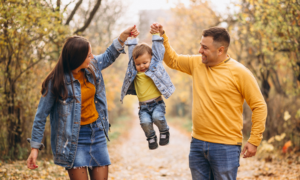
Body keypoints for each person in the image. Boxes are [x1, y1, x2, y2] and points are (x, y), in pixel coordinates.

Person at [150, 23, 267, 179]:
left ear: (220, 50)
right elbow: (173, 60)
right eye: (200, 46)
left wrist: (254, 140)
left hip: (226, 146)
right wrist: (162, 36)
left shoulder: (240, 73)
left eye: (205, 48)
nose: (200, 51)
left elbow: (259, 106)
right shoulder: (197, 63)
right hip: (197, 143)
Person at [26, 25, 139, 180]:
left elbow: (108, 56)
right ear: (76, 59)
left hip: (97, 133)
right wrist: (34, 149)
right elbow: (40, 116)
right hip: (73, 140)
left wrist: (122, 37)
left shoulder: (91, 67)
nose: (92, 57)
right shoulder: (56, 82)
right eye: (88, 55)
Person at [120, 29, 175, 150]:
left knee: (157, 117)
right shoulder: (134, 70)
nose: (142, 66)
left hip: (157, 103)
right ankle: (151, 137)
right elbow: (131, 53)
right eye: (138, 64)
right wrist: (132, 38)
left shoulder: (155, 66)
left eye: (145, 62)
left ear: (151, 59)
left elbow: (158, 50)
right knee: (144, 123)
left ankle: (164, 131)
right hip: (143, 106)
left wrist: (155, 34)